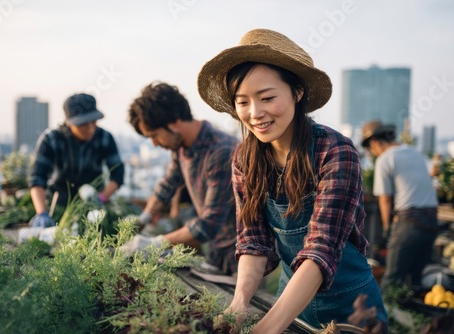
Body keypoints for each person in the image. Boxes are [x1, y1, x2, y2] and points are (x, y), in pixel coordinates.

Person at [197, 28, 388, 333]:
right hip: (290, 302)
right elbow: (253, 241)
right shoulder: (245, 160)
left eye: (267, 97)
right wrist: (239, 305)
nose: (255, 113)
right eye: (242, 102)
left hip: (353, 310)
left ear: (297, 93)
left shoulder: (335, 152)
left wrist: (266, 328)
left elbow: (321, 250)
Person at [123, 82, 239, 275]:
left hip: (238, 256)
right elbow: (168, 185)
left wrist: (155, 243)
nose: (154, 143)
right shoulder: (182, 147)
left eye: (155, 135)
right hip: (214, 251)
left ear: (175, 122)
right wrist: (145, 217)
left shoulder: (221, 151)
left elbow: (209, 223)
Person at [361, 120, 439, 291]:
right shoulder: (416, 153)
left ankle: (388, 318)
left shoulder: (385, 159)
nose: (372, 153)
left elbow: (385, 199)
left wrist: (388, 229)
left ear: (374, 142)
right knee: (416, 281)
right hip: (432, 225)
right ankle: (415, 316)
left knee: (391, 281)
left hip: (410, 224)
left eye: (370, 149)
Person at [28, 93, 124, 227]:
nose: (90, 128)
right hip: (58, 204)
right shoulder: (51, 139)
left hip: (93, 207)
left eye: (94, 122)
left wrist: (102, 197)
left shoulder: (105, 138)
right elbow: (37, 177)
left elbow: (118, 173)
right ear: (69, 122)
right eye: (83, 124)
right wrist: (42, 213)